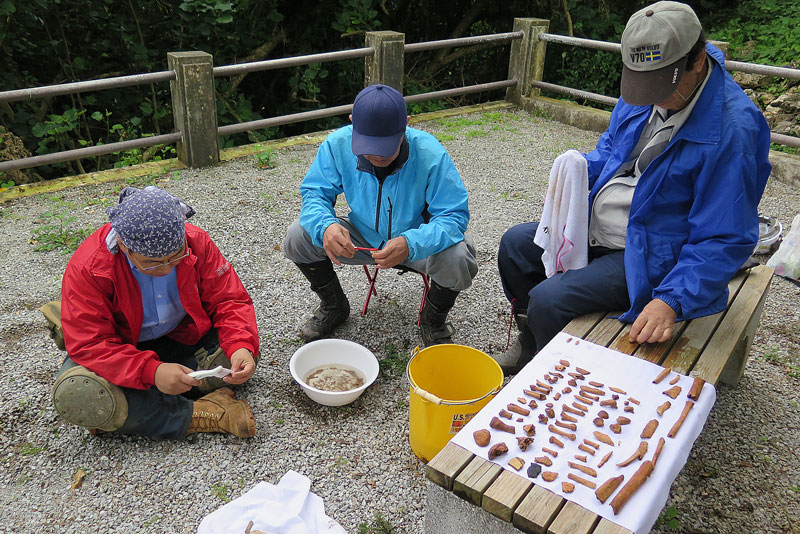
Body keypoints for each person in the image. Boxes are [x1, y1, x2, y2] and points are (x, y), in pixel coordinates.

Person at [494, 1, 771, 374]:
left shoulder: (732, 132)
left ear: (698, 59)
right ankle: (533, 346)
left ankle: (558, 378)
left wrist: (671, 300)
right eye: (642, 84)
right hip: (603, 223)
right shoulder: (646, 87)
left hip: (653, 251)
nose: (650, 96)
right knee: (515, 246)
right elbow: (611, 152)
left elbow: (724, 237)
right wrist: (576, 172)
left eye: (661, 85)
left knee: (549, 299)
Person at [49, 186, 260, 439]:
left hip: (182, 336)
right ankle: (201, 412)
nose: (166, 269)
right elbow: (90, 343)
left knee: (236, 359)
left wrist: (240, 345)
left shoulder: (195, 241)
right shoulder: (90, 267)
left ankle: (134, 410)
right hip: (122, 347)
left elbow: (229, 300)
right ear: (123, 245)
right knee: (78, 395)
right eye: (151, 263)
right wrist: (151, 371)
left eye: (175, 257)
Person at [283, 84, 478, 346]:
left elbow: (453, 216)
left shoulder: (430, 153)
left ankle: (433, 320)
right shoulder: (337, 144)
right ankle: (335, 306)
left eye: (386, 144)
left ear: (406, 125)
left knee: (459, 257)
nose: (376, 154)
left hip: (417, 242)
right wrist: (327, 226)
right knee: (297, 236)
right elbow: (314, 194)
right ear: (353, 123)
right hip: (362, 238)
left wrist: (411, 243)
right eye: (368, 144)